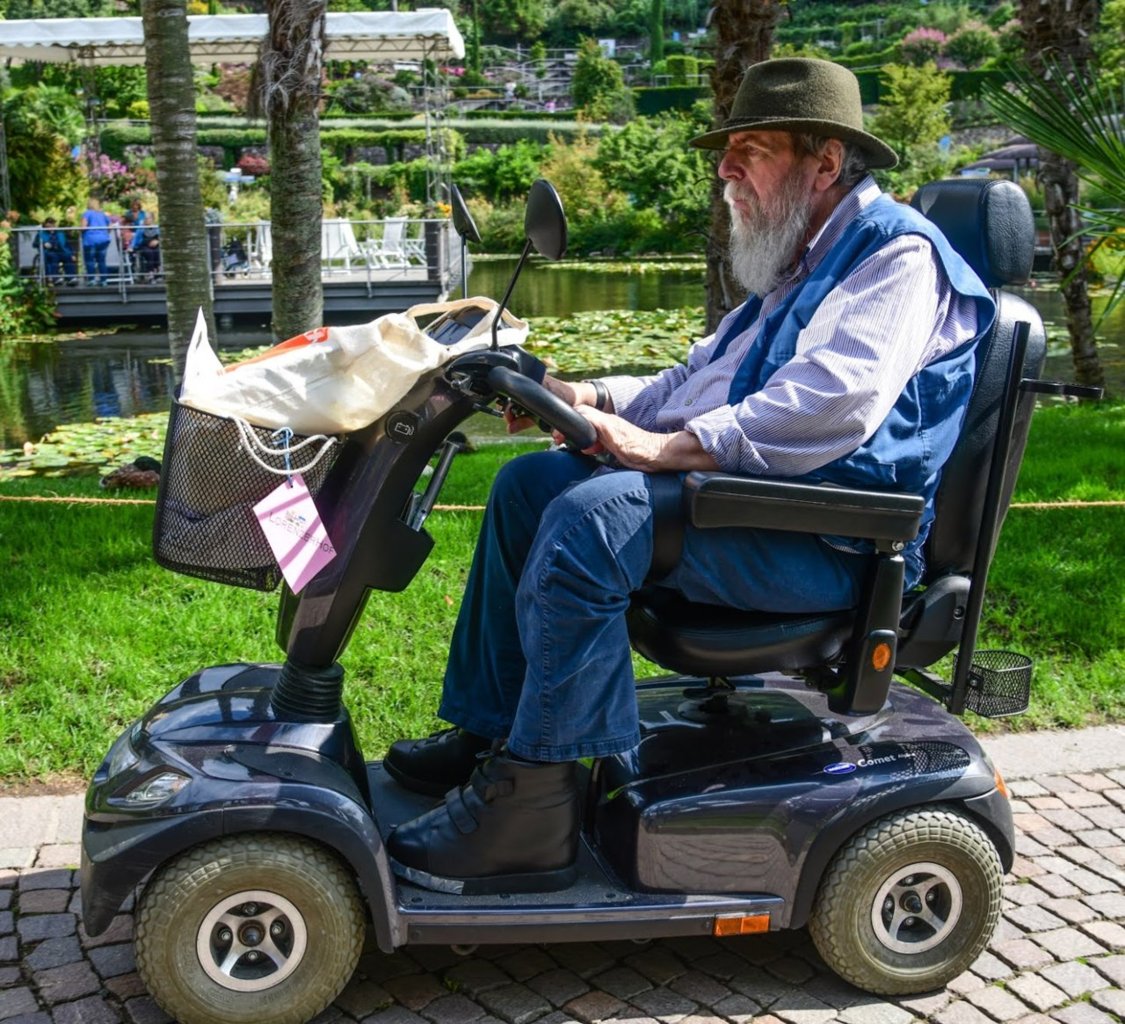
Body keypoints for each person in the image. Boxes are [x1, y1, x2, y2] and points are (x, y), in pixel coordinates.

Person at [383, 58, 998, 896]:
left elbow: (831, 404)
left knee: (596, 518)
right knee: (530, 487)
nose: (724, 169)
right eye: (727, 151)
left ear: (824, 162)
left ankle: (532, 810)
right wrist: (584, 397)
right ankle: (493, 734)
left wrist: (662, 451)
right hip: (764, 512)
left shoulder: (896, 258)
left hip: (833, 540)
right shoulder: (797, 265)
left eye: (751, 150)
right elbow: (693, 381)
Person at [34, 217, 78, 284]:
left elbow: (67, 245)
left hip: (61, 251)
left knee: (68, 257)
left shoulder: (60, 233)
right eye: (49, 224)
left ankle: (71, 278)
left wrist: (72, 254)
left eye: (52, 224)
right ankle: (55, 278)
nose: (51, 226)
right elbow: (35, 244)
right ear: (45, 225)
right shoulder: (41, 233)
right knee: (54, 257)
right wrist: (43, 244)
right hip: (48, 252)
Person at [81, 197, 112, 286]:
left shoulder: (87, 213)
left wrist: (82, 232)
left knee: (90, 260)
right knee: (101, 260)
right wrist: (105, 233)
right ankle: (104, 280)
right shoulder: (103, 214)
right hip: (103, 239)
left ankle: (92, 280)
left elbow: (83, 226)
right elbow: (110, 226)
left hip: (90, 239)